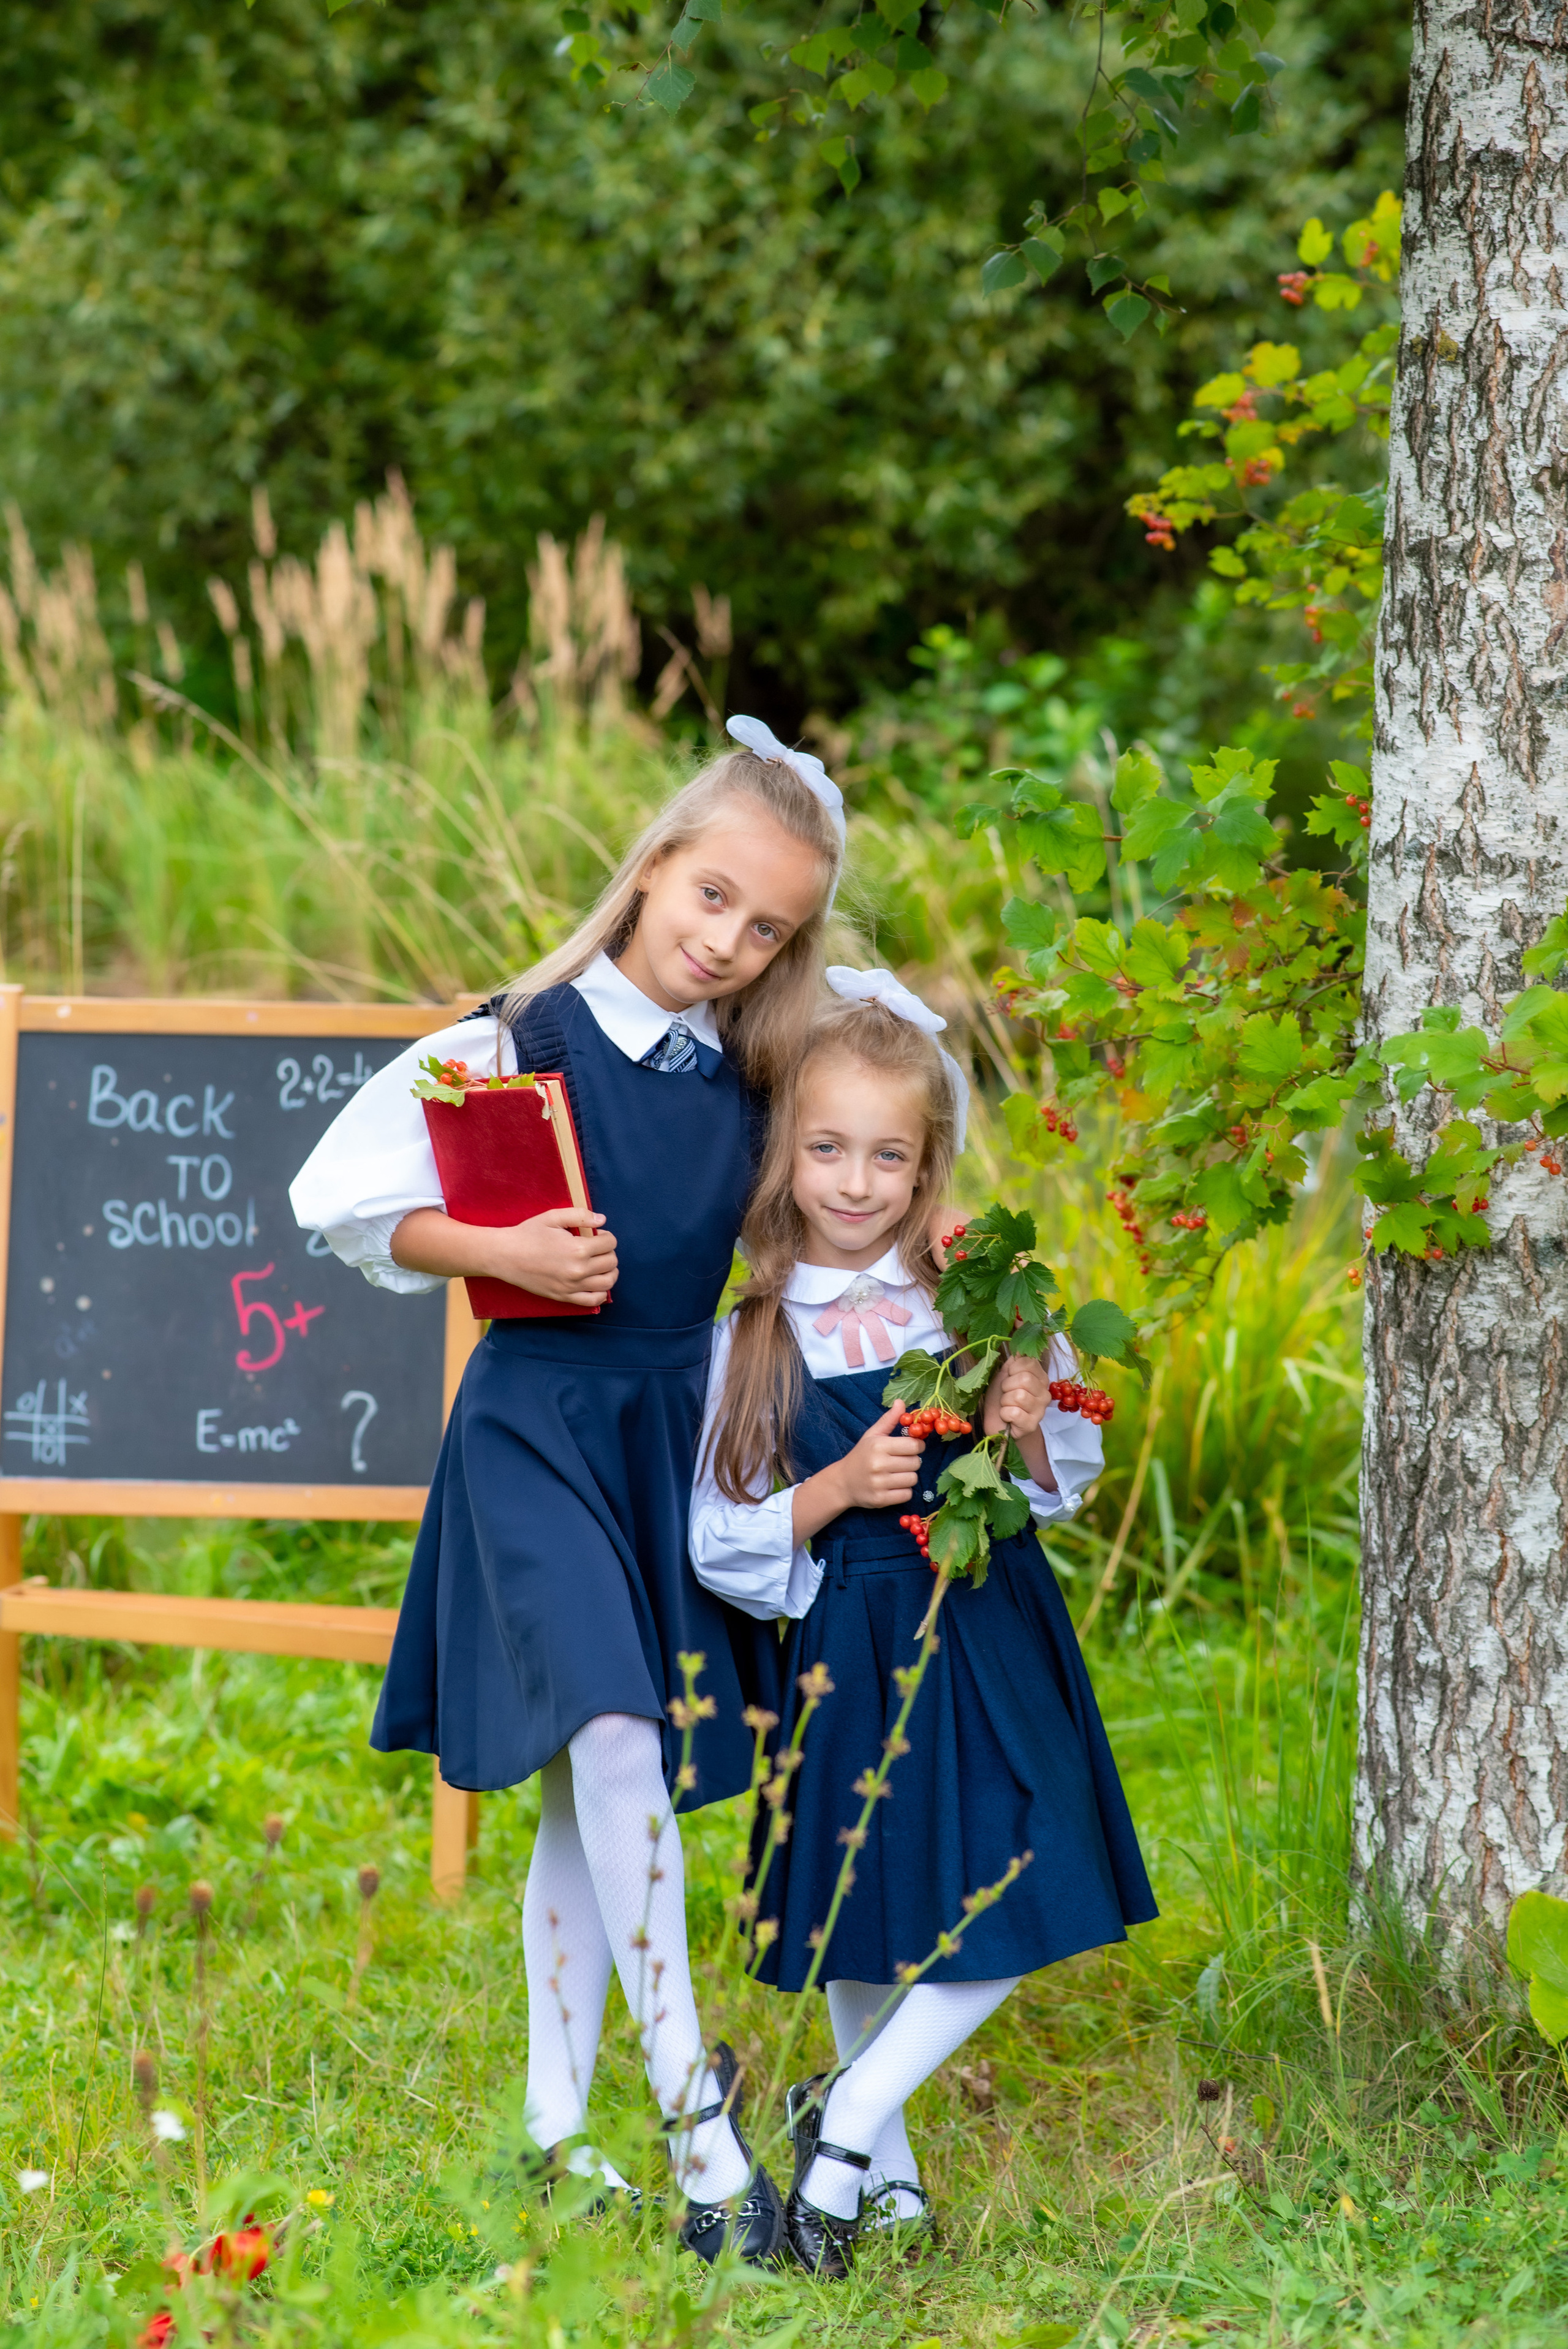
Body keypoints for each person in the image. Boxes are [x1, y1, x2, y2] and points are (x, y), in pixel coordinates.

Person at [290, 719, 845, 2264]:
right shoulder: (513, 1038)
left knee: (589, 1785)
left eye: (769, 928)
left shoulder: (755, 1065)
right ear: (653, 864)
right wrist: (498, 1254)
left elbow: (897, 1062)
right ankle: (700, 2136)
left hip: (675, 1428)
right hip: (536, 1428)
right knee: (610, 1727)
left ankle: (550, 2129)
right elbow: (333, 1195)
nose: (728, 942)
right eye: (712, 897)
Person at [688, 971, 1158, 2274]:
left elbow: (1065, 1477)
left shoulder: (981, 1301)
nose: (853, 1181)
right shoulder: (753, 1335)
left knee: (1033, 1856)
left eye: (885, 1155)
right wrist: (830, 1492)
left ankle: (838, 2120)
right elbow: (716, 1539)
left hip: (986, 1616)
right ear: (781, 1155)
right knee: (866, 1894)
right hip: (847, 1632)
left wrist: (1026, 1418)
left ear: (926, 1163)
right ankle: (880, 2181)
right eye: (824, 1148)